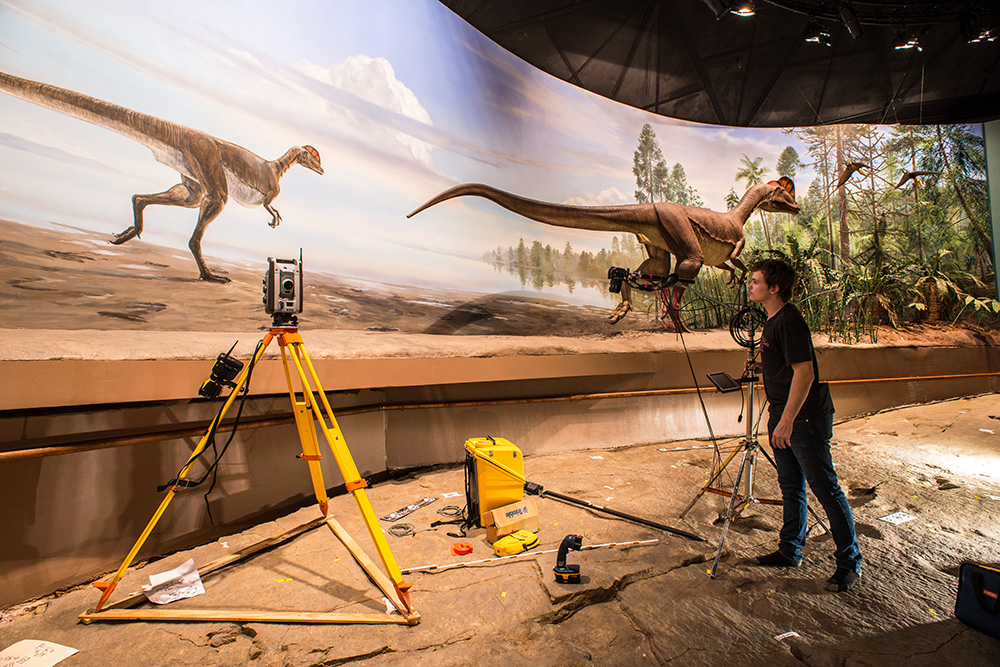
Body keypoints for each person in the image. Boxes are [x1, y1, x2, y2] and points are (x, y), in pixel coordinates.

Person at [746, 258, 862, 592]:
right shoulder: (771, 320)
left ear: (774, 288)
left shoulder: (789, 320)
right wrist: (761, 369)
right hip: (784, 414)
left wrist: (786, 422)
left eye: (755, 281)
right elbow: (786, 365)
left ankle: (849, 563)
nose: (750, 286)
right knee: (791, 487)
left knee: (826, 489)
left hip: (802, 419)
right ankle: (790, 551)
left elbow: (805, 372)